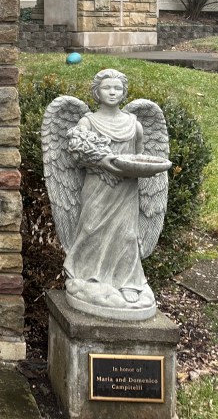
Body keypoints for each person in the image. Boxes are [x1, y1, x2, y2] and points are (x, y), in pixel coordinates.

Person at [64, 69, 153, 312]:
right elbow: (77, 155)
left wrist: (133, 167)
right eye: (106, 88)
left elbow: (139, 155)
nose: (112, 92)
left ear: (124, 92)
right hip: (98, 186)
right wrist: (102, 161)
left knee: (127, 234)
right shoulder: (88, 122)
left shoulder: (134, 125)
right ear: (97, 92)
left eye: (117, 88)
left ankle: (128, 282)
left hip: (126, 188)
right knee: (91, 228)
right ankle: (87, 276)